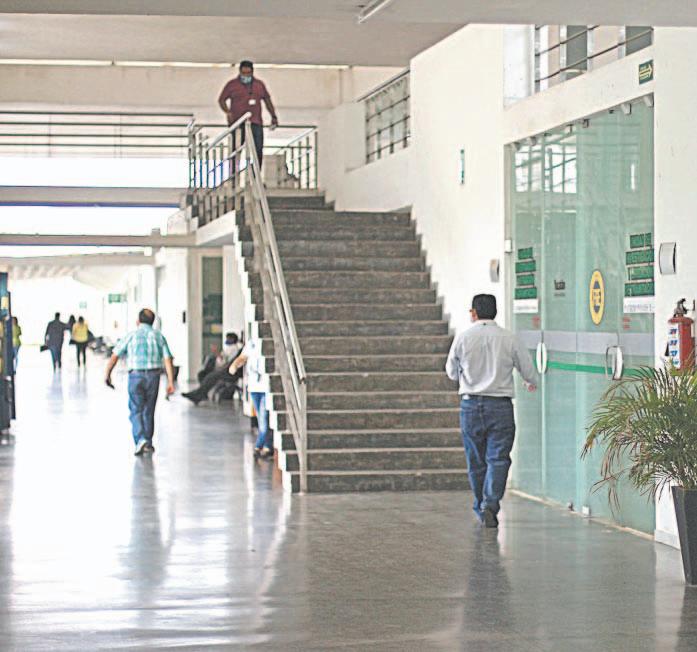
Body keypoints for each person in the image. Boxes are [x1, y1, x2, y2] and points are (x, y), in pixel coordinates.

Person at [445, 294, 538, 529]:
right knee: (498, 459)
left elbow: (451, 372)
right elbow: (528, 371)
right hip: (500, 406)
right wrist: (530, 381)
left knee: (476, 460)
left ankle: (481, 505)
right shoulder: (509, 338)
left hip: (470, 405)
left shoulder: (463, 338)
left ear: (474, 313)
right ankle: (490, 503)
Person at [104, 309, 175, 456]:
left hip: (135, 376)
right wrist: (170, 381)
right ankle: (147, 441)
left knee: (136, 409)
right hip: (154, 376)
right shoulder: (159, 336)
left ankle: (140, 439)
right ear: (153, 321)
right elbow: (167, 359)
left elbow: (115, 355)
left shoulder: (131, 335)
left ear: (138, 321)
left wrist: (108, 374)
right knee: (149, 410)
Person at [218, 60, 278, 169]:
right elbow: (222, 100)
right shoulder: (232, 85)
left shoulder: (259, 85)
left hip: (255, 122)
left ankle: (256, 174)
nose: (246, 76)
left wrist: (273, 116)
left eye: (248, 73)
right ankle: (234, 174)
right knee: (236, 150)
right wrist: (228, 112)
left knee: (257, 149)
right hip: (237, 123)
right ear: (240, 71)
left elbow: (267, 100)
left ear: (252, 72)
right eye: (243, 73)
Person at [229, 335, 272, 459]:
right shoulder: (252, 342)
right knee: (261, 418)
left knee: (264, 419)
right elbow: (243, 357)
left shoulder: (270, 342)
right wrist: (234, 365)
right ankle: (268, 446)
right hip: (254, 386)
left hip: (266, 387)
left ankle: (258, 446)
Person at [182, 333, 243, 405]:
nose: (227, 340)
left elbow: (228, 362)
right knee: (203, 374)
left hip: (229, 371)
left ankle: (199, 394)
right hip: (223, 368)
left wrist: (217, 355)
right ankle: (200, 393)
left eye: (228, 338)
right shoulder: (228, 348)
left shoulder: (234, 349)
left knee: (211, 376)